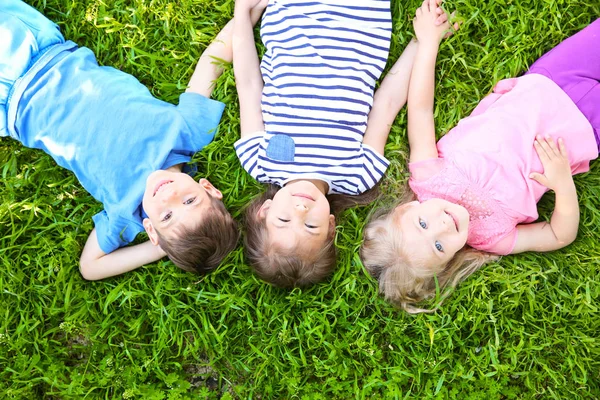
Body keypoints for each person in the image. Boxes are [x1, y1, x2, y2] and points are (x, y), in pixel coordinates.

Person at [360, 0, 600, 312]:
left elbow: (420, 109)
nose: (442, 226)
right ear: (448, 262)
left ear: (404, 212)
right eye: (438, 245)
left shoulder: (429, 175)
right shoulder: (494, 238)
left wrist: (429, 43)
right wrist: (563, 185)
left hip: (551, 81)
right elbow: (558, 235)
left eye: (422, 224)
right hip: (587, 129)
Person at [0, 0, 265, 280]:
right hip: (39, 50)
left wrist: (160, 247)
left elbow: (90, 267)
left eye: (166, 217)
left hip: (12, 109)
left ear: (150, 229)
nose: (169, 198)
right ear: (208, 188)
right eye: (189, 201)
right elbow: (212, 63)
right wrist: (247, 16)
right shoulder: (188, 132)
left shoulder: (124, 213)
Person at [232, 0, 452, 287]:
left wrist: (242, 14)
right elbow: (386, 104)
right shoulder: (357, 175)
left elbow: (248, 84)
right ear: (331, 227)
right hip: (362, 19)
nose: (300, 211)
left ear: (264, 212)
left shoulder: (258, 161)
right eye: (311, 226)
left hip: (292, 14)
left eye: (283, 220)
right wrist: (421, 42)